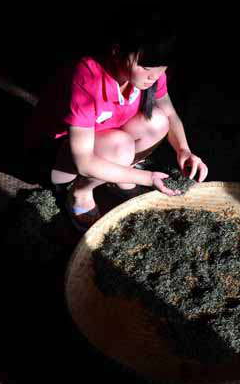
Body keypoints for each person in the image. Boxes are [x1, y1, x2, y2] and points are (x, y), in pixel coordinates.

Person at [24, 13, 209, 231]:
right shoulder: (86, 77)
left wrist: (184, 150)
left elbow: (170, 114)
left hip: (108, 138)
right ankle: (80, 191)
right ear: (117, 51)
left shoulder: (153, 75)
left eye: (161, 67)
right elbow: (83, 161)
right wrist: (146, 177)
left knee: (158, 121)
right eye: (146, 67)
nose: (155, 75)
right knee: (120, 147)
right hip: (58, 155)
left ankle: (119, 170)